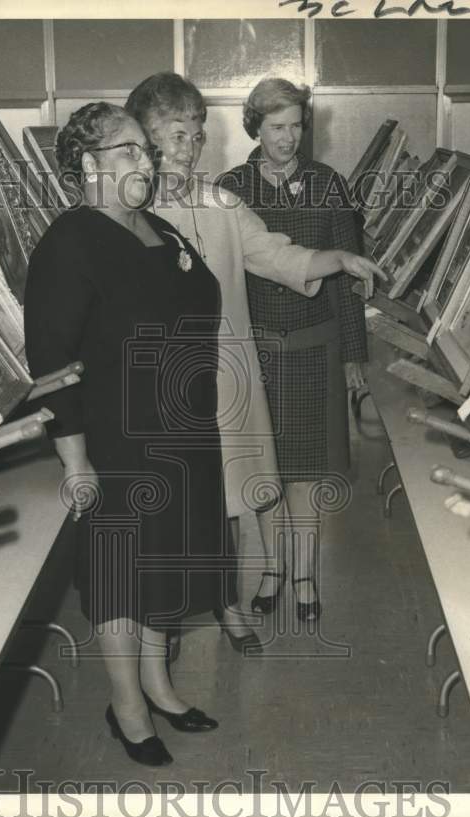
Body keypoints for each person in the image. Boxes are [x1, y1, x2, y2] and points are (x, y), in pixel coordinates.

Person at [124, 72, 379, 644]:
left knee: (229, 498)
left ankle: (229, 607)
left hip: (226, 380)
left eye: (196, 136)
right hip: (158, 388)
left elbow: (274, 253)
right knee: (170, 510)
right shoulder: (127, 213)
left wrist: (339, 259)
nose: (189, 149)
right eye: (176, 136)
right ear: (144, 139)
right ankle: (162, 633)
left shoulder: (222, 203)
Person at [25, 103, 230, 767]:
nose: (147, 161)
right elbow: (51, 364)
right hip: (116, 440)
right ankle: (127, 707)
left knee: (163, 566)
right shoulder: (69, 243)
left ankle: (159, 686)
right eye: (129, 152)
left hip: (181, 430)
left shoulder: (156, 226)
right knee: (120, 576)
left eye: (147, 149)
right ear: (89, 165)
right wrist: (75, 463)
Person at [218, 78, 371, 623]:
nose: (288, 137)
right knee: (266, 473)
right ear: (255, 128)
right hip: (257, 351)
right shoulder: (230, 189)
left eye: (297, 126)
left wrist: (353, 355)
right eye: (276, 127)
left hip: (315, 349)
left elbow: (349, 278)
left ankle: (304, 576)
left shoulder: (329, 184)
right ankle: (272, 569)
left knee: (306, 473)